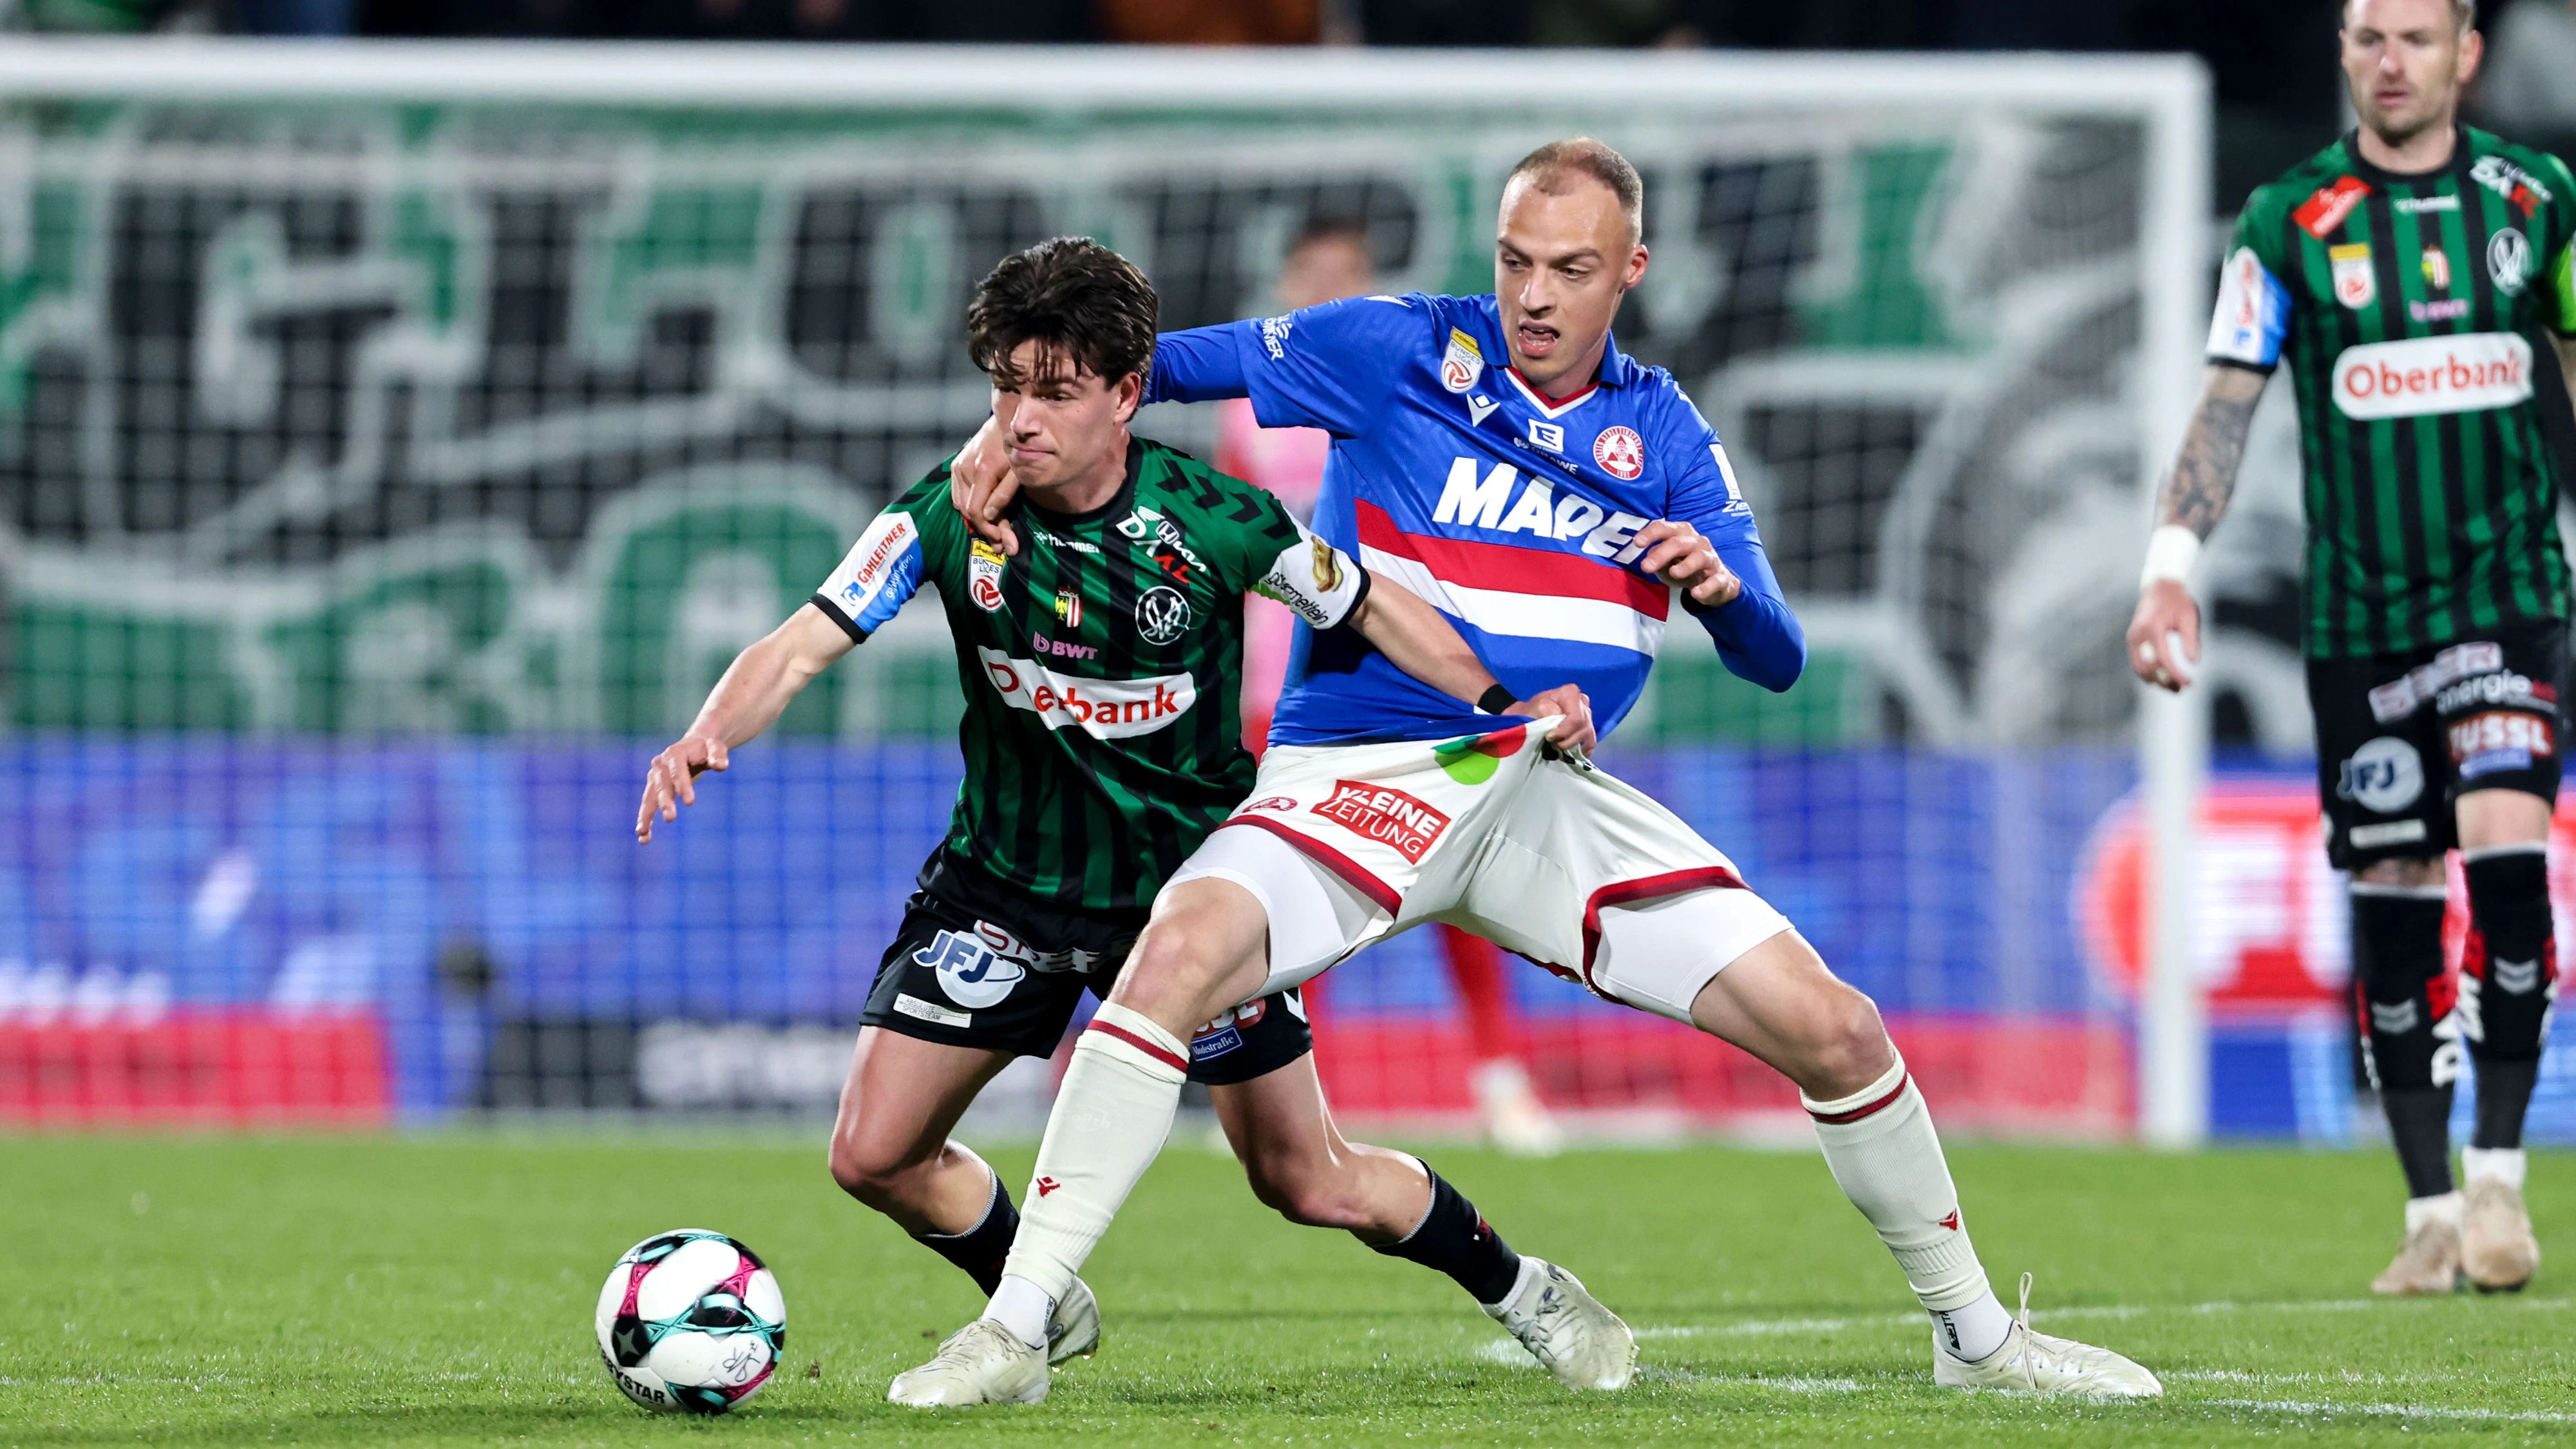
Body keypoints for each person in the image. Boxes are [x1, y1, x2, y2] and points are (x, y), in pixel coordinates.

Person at [898, 138, 2163, 1406]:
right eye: (1515, 262)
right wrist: (996, 438)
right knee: (1174, 956)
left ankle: (1976, 1342)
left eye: (1569, 269)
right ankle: (1015, 1330)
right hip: (1358, 772)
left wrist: (1723, 594)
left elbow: (1775, 656)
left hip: (1539, 792)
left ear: (1630, 270)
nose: (1534, 296)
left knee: (1837, 1029)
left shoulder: (1663, 431)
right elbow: (1135, 367)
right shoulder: (1389, 347)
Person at [636, 236, 1629, 1399]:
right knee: (872, 1154)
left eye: (1055, 392)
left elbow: (1369, 605)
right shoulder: (951, 512)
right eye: (1006, 387)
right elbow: (802, 639)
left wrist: (1503, 705)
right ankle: (1035, 1302)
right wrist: (708, 729)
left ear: (1125, 391)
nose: (1022, 419)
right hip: (1004, 889)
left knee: (1306, 1177)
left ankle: (1526, 1288)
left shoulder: (1215, 519)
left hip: (1189, 904)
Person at [2128, 0, 2574, 1295]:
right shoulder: (2287, 222)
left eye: (2416, 39)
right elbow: (2225, 404)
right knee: (2391, 896)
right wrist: (2168, 570)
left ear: (2464, 56)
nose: (2391, 60)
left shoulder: (2538, 202)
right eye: (2370, 37)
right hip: (2363, 622)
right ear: (2343, 50)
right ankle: (2427, 1210)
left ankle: (2499, 1182)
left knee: (2505, 848)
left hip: (2507, 599)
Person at [1223, 213, 1564, 1157]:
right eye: (1311, 274)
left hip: (1409, 673)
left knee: (1459, 878)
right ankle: (1288, 1090)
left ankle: (1500, 1076)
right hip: (1283, 682)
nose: (1326, 289)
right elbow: (1229, 548)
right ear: (1287, 288)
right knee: (1291, 883)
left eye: (1346, 274)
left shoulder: (1417, 386)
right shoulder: (1246, 412)